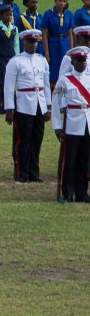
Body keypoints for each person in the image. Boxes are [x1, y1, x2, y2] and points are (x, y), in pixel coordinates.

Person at [4, 29, 50, 184]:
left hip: (40, 103)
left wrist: (48, 106)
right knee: (24, 140)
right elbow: (9, 86)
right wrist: (9, 109)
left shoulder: (41, 60)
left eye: (35, 42)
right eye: (30, 42)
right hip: (24, 103)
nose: (33, 45)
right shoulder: (16, 61)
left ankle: (34, 172)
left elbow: (46, 85)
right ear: (23, 42)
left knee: (37, 139)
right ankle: (22, 172)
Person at [52, 47, 90, 202]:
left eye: (84, 60)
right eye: (79, 60)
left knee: (84, 159)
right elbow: (56, 104)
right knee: (70, 159)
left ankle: (82, 192)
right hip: (72, 123)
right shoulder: (65, 79)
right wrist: (57, 126)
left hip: (87, 122)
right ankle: (67, 192)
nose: (82, 63)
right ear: (73, 61)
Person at [0, 6, 20, 115]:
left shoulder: (14, 29)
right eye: (7, 15)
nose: (9, 17)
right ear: (1, 16)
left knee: (11, 83)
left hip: (11, 58)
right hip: (0, 58)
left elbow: (16, 45)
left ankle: (10, 106)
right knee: (0, 83)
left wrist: (18, 60)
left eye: (11, 15)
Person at [41, 0, 72, 86]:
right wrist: (46, 52)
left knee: (66, 69)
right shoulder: (48, 14)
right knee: (53, 71)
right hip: (53, 44)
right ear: (55, 1)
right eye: (60, 1)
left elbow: (70, 34)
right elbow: (44, 34)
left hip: (65, 44)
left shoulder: (69, 14)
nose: (62, 3)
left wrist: (71, 51)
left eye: (64, 1)